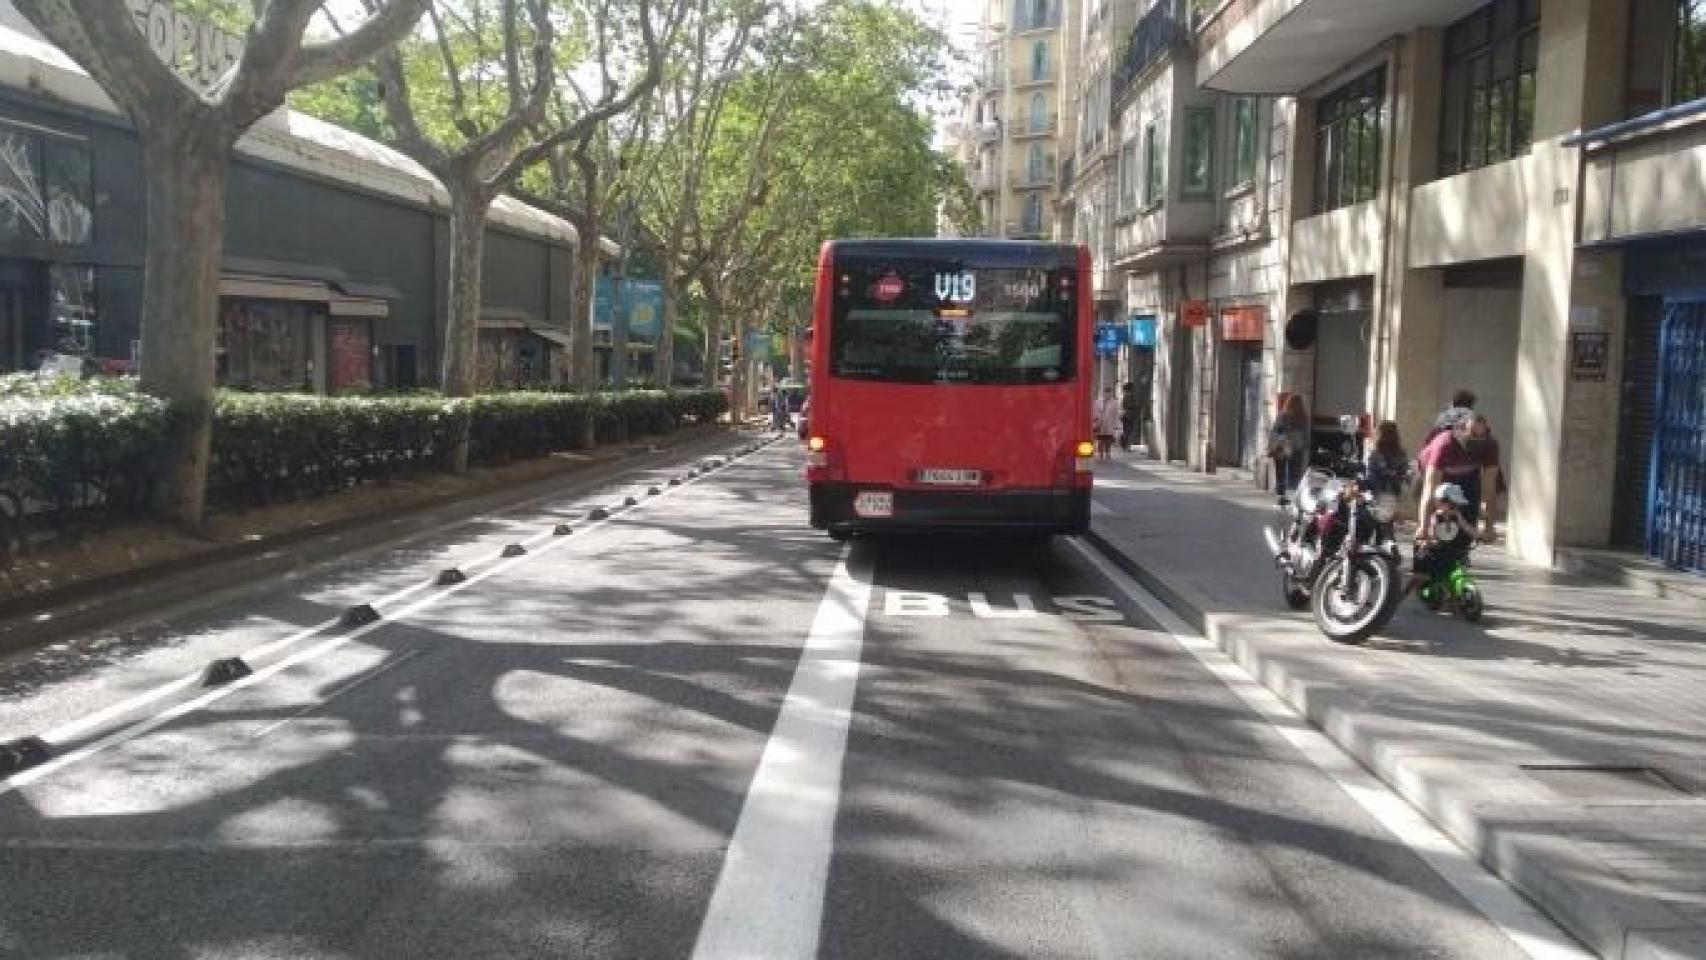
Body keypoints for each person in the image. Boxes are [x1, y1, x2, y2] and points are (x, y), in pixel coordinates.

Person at [1415, 413, 1500, 543]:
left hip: (1468, 476)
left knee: (1469, 516)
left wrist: (1489, 528)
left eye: (1481, 437)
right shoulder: (1445, 444)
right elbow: (1430, 488)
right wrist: (1423, 527)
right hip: (1437, 474)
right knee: (1440, 512)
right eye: (1472, 435)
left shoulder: (1490, 445)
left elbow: (1490, 488)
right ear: (1460, 431)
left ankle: (1462, 550)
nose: (1476, 441)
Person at [1405, 482, 1475, 598]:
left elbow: (1466, 526)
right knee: (1419, 576)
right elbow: (1431, 533)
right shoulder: (1435, 518)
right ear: (1440, 503)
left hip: (1443, 546)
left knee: (1449, 570)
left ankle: (1453, 601)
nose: (1455, 509)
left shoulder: (1456, 515)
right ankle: (1399, 596)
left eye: (1458, 506)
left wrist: (1478, 535)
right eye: (1453, 505)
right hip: (1426, 545)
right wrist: (1429, 540)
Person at [1268, 394, 1310, 500]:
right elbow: (1306, 433)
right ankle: (1292, 491)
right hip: (1297, 446)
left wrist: (1274, 443)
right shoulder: (1304, 417)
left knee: (1280, 470)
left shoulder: (1283, 415)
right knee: (1295, 471)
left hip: (1283, 446)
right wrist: (1305, 446)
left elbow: (1276, 430)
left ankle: (1280, 492)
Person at [1363, 420, 1410, 497]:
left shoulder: (1375, 455)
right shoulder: (1401, 454)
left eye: (1376, 433)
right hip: (1396, 495)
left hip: (1380, 495)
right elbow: (1404, 475)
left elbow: (1371, 478)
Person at [1093, 387, 1121, 460]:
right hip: (1100, 423)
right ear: (1104, 393)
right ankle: (1100, 453)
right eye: (1106, 393)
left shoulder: (1115, 403)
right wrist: (1095, 420)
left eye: (1109, 393)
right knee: (1100, 439)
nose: (1108, 394)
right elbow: (1094, 411)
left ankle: (1108, 453)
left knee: (1108, 439)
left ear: (1111, 393)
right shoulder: (1098, 402)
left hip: (1110, 423)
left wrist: (1117, 425)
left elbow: (1116, 414)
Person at [1120, 382, 1142, 452]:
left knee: (1127, 431)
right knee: (1128, 431)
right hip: (1129, 415)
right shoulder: (1128, 396)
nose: (1134, 389)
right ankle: (1126, 446)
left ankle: (1126, 446)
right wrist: (1137, 405)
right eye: (1133, 388)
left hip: (1127, 415)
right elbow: (1130, 405)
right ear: (1130, 389)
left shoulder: (1126, 395)